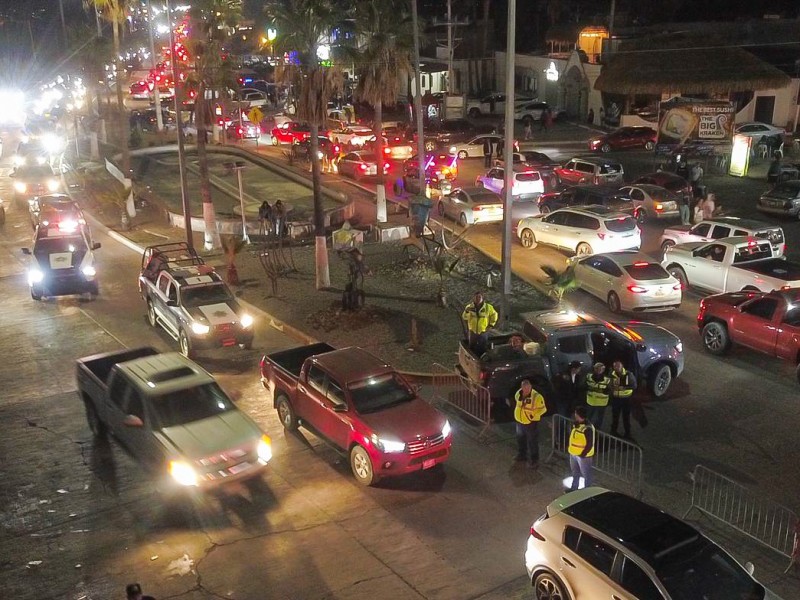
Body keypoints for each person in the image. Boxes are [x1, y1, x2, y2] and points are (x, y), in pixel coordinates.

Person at [513, 379, 547, 468]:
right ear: (522, 388)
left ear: (531, 387)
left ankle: (534, 460)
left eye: (528, 388)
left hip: (530, 423)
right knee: (520, 439)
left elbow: (543, 409)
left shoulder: (537, 397)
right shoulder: (518, 393)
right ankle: (522, 455)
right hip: (520, 421)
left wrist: (533, 416)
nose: (527, 390)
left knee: (532, 442)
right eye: (525, 388)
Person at [462, 291, 498, 356]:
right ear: (473, 298)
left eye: (479, 297)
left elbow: (494, 315)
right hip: (472, 331)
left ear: (482, 298)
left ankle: (481, 359)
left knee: (482, 346)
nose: (477, 299)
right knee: (471, 346)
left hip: (483, 330)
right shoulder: (469, 307)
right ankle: (471, 360)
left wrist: (491, 325)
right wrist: (467, 311)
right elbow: (464, 317)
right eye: (476, 297)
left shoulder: (488, 307)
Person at [568, 405, 595, 490]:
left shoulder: (588, 428)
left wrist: (582, 454)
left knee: (586, 475)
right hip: (574, 454)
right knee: (575, 473)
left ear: (577, 415)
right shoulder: (577, 424)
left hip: (583, 456)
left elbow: (589, 444)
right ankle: (574, 489)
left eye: (575, 413)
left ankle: (588, 492)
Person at [609, 359, 636, 439]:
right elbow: (609, 384)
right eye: (615, 366)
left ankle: (628, 433)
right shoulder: (611, 374)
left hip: (626, 399)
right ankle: (613, 431)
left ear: (622, 366)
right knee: (615, 417)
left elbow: (634, 386)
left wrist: (624, 388)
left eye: (618, 366)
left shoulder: (629, 374)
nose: (617, 368)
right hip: (616, 399)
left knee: (626, 417)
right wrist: (612, 388)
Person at [585, 362, 610, 429]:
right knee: (588, 417)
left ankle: (597, 432)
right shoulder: (589, 376)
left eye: (600, 369)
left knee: (599, 419)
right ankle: (587, 429)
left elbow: (610, 390)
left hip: (601, 403)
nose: (598, 370)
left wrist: (604, 391)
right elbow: (584, 385)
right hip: (590, 401)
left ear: (603, 370)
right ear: (594, 369)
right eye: (597, 368)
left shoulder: (607, 379)